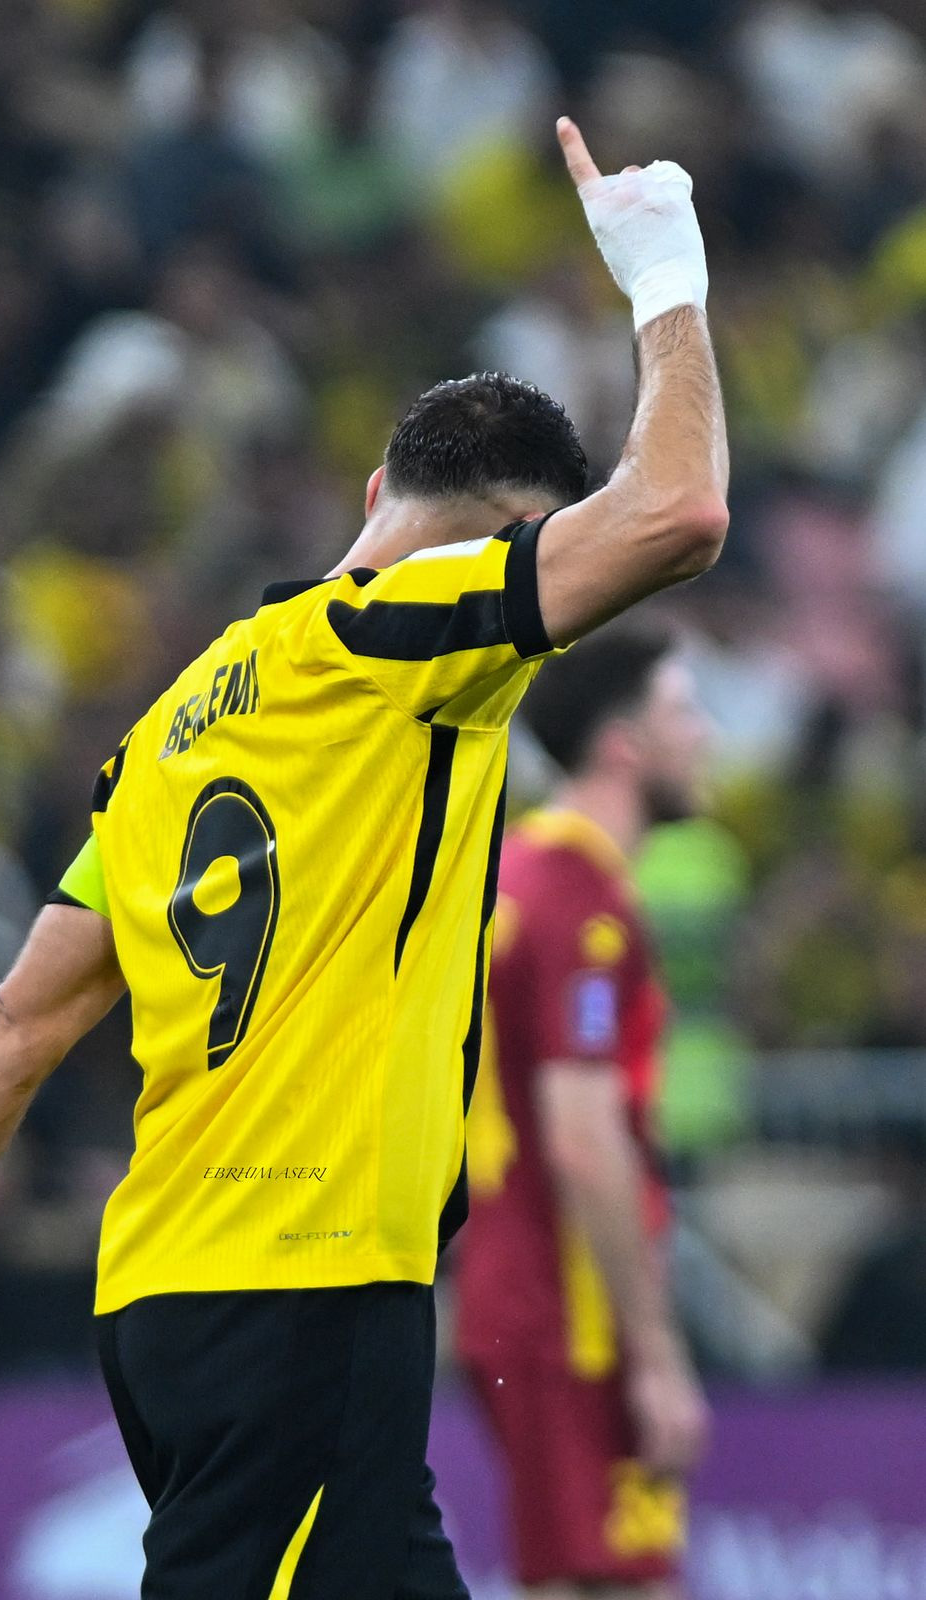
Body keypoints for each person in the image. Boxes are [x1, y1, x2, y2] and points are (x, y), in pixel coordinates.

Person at [0, 119, 728, 1600]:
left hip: (171, 1286)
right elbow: (680, 512)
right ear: (506, 545)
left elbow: (15, 1029)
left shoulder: (171, 725)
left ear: (368, 494)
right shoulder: (406, 636)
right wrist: (663, 274)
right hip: (298, 1278)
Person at [456, 624, 713, 1600]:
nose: (706, 735)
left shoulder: (520, 874)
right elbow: (582, 1138)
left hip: (520, 1286)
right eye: (683, 711)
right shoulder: (579, 904)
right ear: (622, 744)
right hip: (571, 1305)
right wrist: (656, 1353)